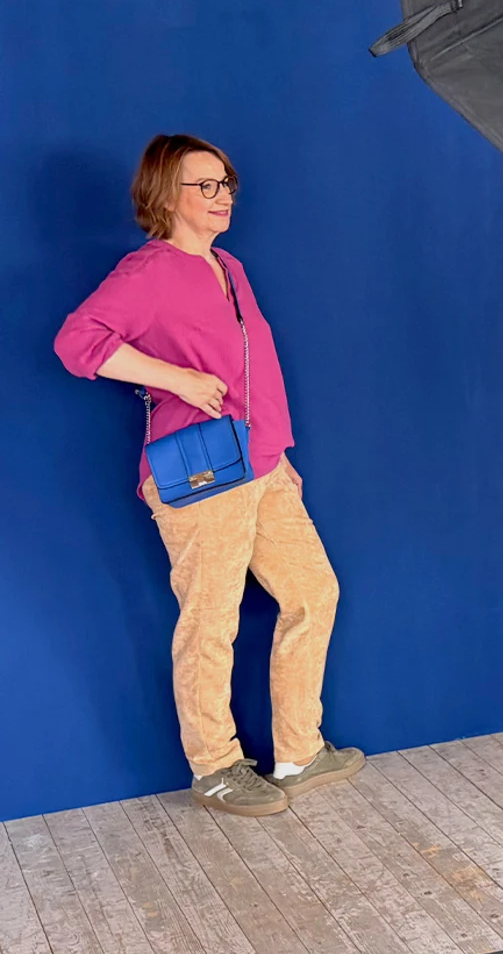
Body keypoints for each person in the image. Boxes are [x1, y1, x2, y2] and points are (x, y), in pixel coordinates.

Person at [55, 133, 364, 817]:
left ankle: (298, 751)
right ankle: (216, 766)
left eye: (227, 184)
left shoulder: (231, 266)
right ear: (167, 195)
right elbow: (77, 343)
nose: (223, 197)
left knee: (314, 592)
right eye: (207, 186)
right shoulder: (148, 271)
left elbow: (255, 375)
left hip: (262, 466)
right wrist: (176, 380)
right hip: (199, 470)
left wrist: (279, 455)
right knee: (211, 618)